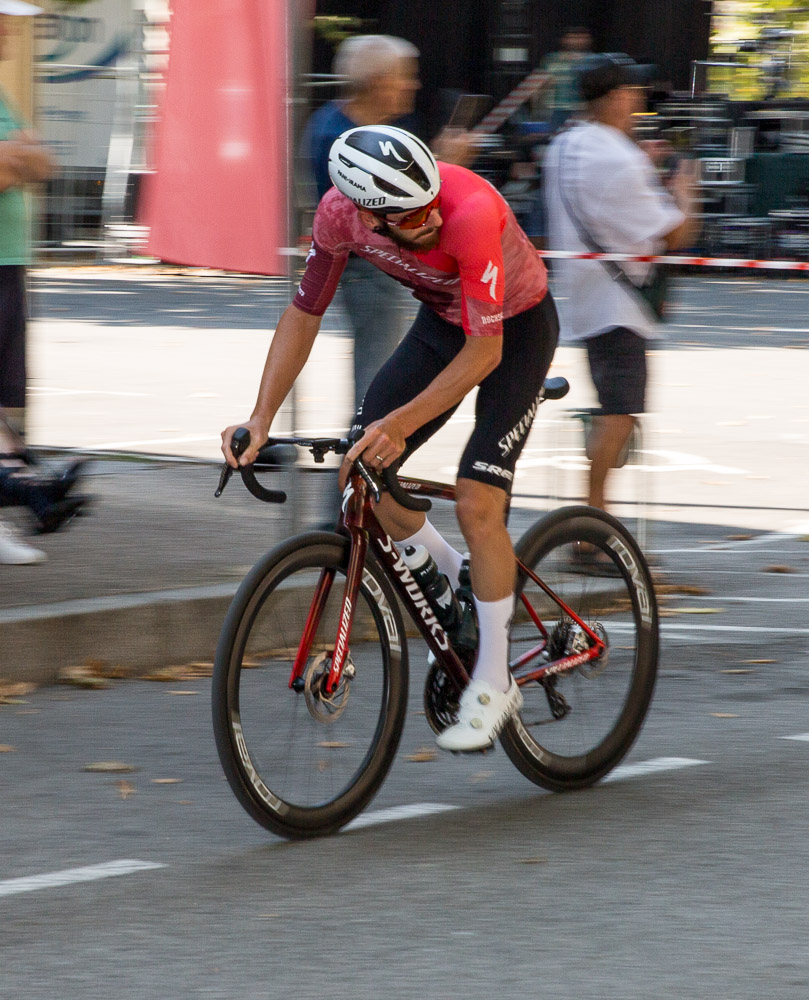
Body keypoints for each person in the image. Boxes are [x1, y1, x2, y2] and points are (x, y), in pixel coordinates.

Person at [221, 125, 556, 752]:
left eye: (431, 204)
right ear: (369, 218)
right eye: (411, 217)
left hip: (513, 332)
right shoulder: (338, 217)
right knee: (359, 472)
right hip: (441, 324)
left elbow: (486, 352)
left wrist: (399, 424)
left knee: (477, 501)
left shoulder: (470, 211)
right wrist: (261, 416)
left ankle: (494, 678)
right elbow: (303, 313)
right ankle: (461, 573)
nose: (430, 220)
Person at [302, 35, 478, 518]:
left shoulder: (363, 130)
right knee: (374, 400)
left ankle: (358, 508)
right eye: (405, 74)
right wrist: (447, 172)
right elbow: (383, 219)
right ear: (378, 82)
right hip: (369, 280)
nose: (413, 85)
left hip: (381, 280)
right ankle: (344, 516)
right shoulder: (338, 137)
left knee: (380, 395)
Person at [542, 54, 698, 523]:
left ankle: (594, 512)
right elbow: (674, 233)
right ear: (613, 99)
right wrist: (687, 191)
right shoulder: (620, 158)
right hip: (621, 303)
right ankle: (594, 513)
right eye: (631, 94)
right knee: (621, 411)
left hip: (586, 298)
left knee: (613, 405)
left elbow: (603, 199)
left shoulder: (564, 145)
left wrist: (642, 169)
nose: (637, 104)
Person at [1, 0, 85, 564]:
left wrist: (18, 158)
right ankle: (25, 486)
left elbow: (41, 162)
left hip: (10, 263)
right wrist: (16, 159)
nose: (8, 31)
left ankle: (24, 486)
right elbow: (14, 162)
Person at [537, 27, 592, 128]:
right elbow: (541, 85)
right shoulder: (551, 59)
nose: (576, 41)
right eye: (572, 37)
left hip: (581, 109)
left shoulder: (593, 60)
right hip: (557, 109)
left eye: (581, 37)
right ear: (564, 39)